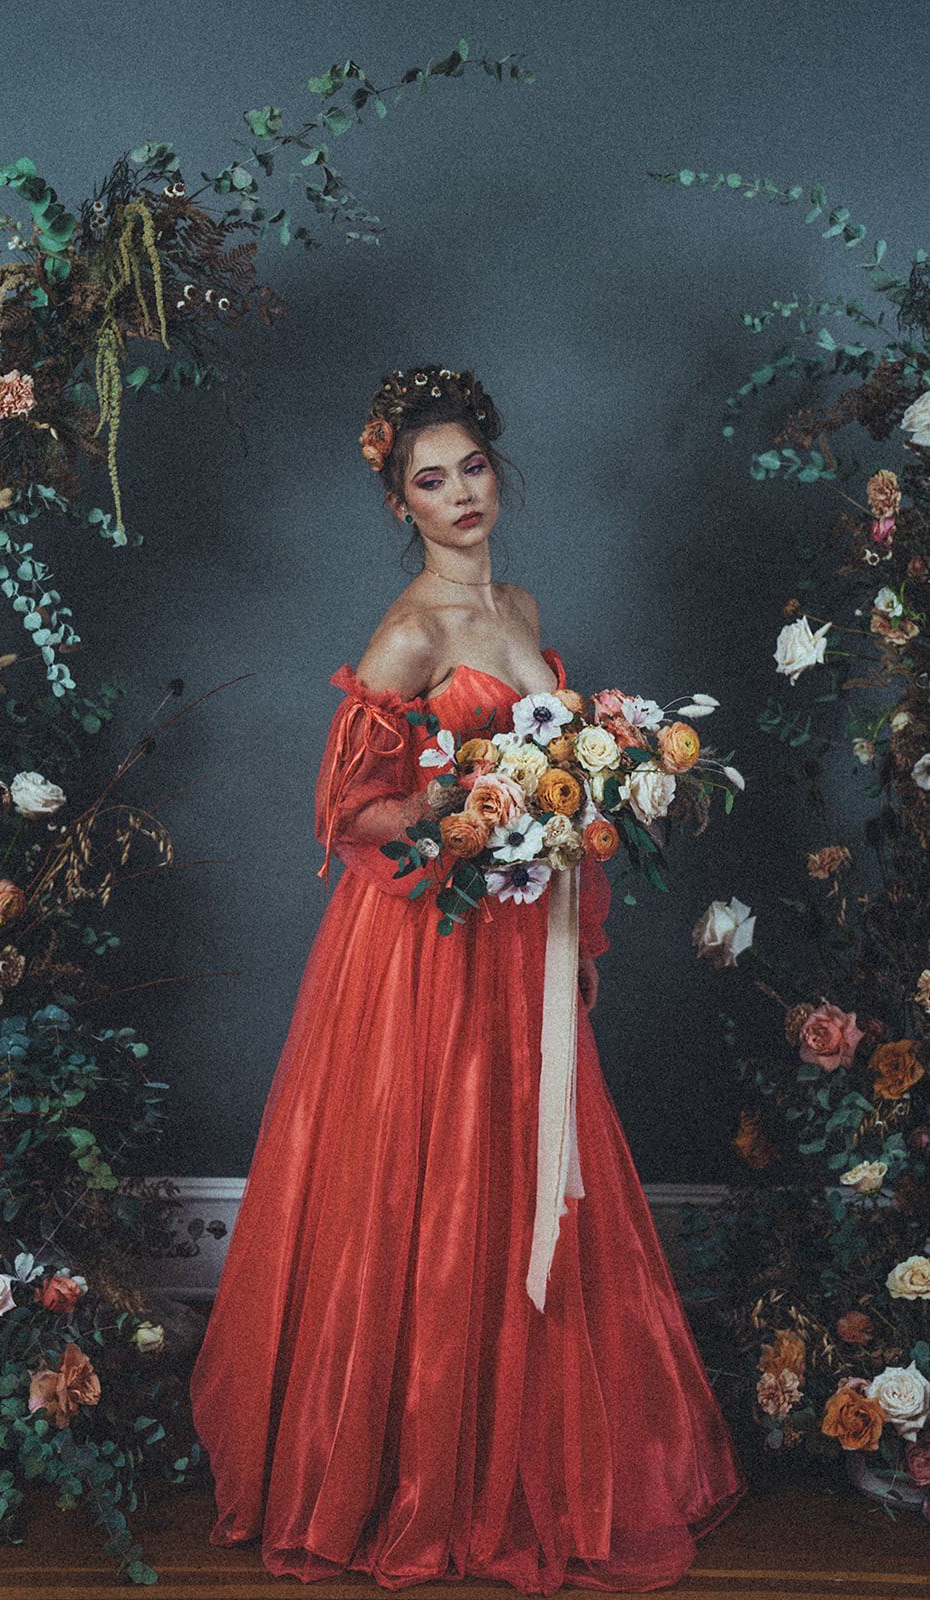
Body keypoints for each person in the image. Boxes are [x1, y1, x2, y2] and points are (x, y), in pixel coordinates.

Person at [190, 364, 747, 1594]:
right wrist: (459, 808)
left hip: (523, 942)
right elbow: (350, 811)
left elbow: (567, 784)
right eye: (427, 482)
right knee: (428, 1186)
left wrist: (577, 934)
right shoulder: (408, 632)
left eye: (470, 470)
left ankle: (523, 1450)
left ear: (499, 471)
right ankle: (413, 1468)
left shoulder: (520, 602)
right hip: (425, 952)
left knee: (524, 1166)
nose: (457, 497)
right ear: (399, 501)